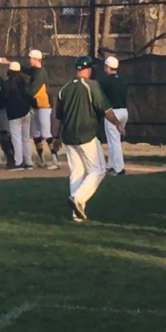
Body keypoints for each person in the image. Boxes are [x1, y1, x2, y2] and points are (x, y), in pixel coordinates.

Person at [57, 56, 125, 223]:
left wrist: (56, 137)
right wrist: (118, 124)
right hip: (86, 134)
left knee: (77, 173)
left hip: (68, 136)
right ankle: (78, 198)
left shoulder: (64, 89)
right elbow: (106, 110)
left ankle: (77, 215)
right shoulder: (91, 86)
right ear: (88, 69)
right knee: (98, 170)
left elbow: (58, 117)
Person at [99, 56, 129, 176]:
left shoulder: (105, 81)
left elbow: (101, 97)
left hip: (113, 113)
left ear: (107, 66)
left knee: (114, 141)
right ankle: (111, 165)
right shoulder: (123, 80)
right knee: (113, 140)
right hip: (124, 111)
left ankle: (119, 168)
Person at [2, 62, 33, 170]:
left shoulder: (7, 83)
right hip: (26, 111)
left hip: (14, 113)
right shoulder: (23, 82)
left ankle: (18, 162)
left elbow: (4, 98)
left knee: (16, 138)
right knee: (26, 138)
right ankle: (28, 162)